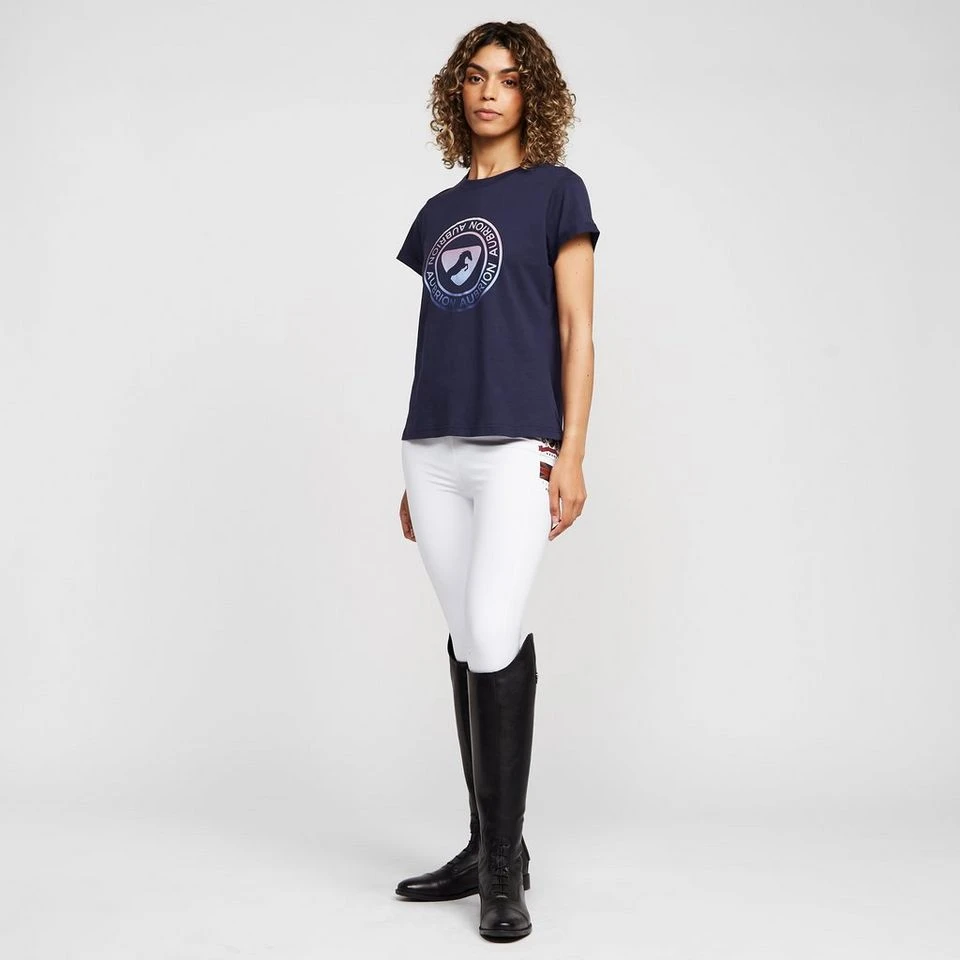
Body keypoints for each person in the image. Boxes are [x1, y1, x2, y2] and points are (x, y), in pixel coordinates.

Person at [393, 21, 599, 942]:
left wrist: (574, 452)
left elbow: (576, 330)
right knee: (467, 634)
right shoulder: (438, 214)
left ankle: (506, 868)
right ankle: (485, 846)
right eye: (476, 77)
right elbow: (441, 335)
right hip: (431, 450)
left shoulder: (557, 193)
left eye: (509, 80)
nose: (489, 93)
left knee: (490, 628)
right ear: (457, 92)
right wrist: (415, 462)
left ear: (531, 96)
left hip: (518, 445)